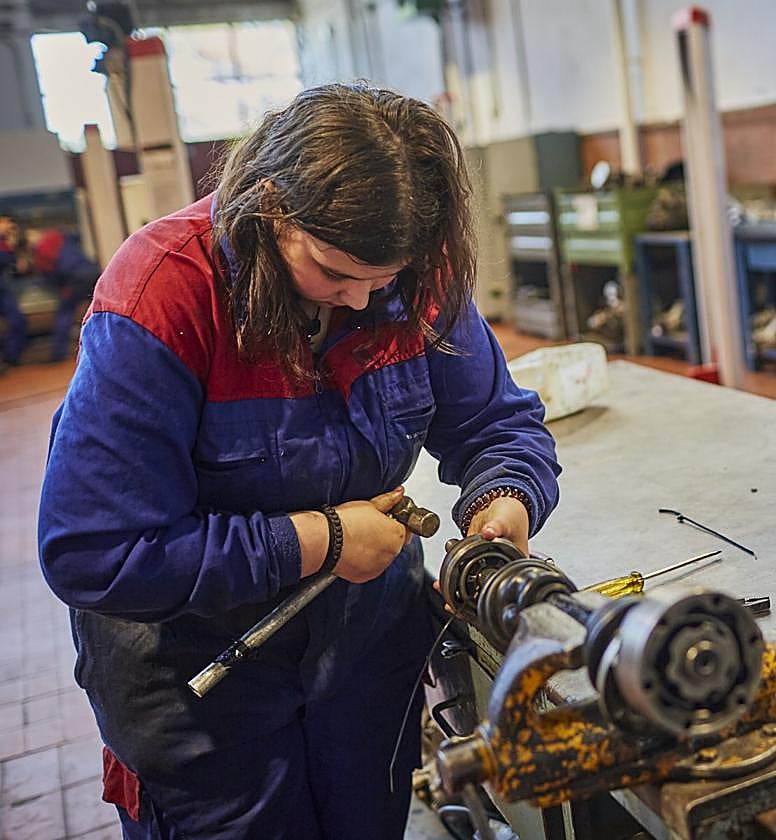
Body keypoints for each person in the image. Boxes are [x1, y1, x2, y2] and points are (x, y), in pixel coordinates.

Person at [38, 83, 561, 838]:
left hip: (362, 665)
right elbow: (94, 552)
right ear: (271, 207)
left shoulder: (408, 272)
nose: (360, 301)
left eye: (383, 279)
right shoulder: (163, 296)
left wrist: (503, 500)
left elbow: (495, 423)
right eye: (335, 272)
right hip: (200, 686)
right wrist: (322, 539)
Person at [26, 225, 102, 361]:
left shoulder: (41, 253)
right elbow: (75, 236)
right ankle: (103, 346)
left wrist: (60, 287)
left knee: (65, 314)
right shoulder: (60, 237)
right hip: (92, 272)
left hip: (74, 280)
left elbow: (50, 276)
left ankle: (58, 353)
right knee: (100, 310)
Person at [0, 215, 26, 369]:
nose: (9, 225)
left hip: (3, 288)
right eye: (5, 221)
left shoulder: (6, 243)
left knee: (17, 321)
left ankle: (11, 359)